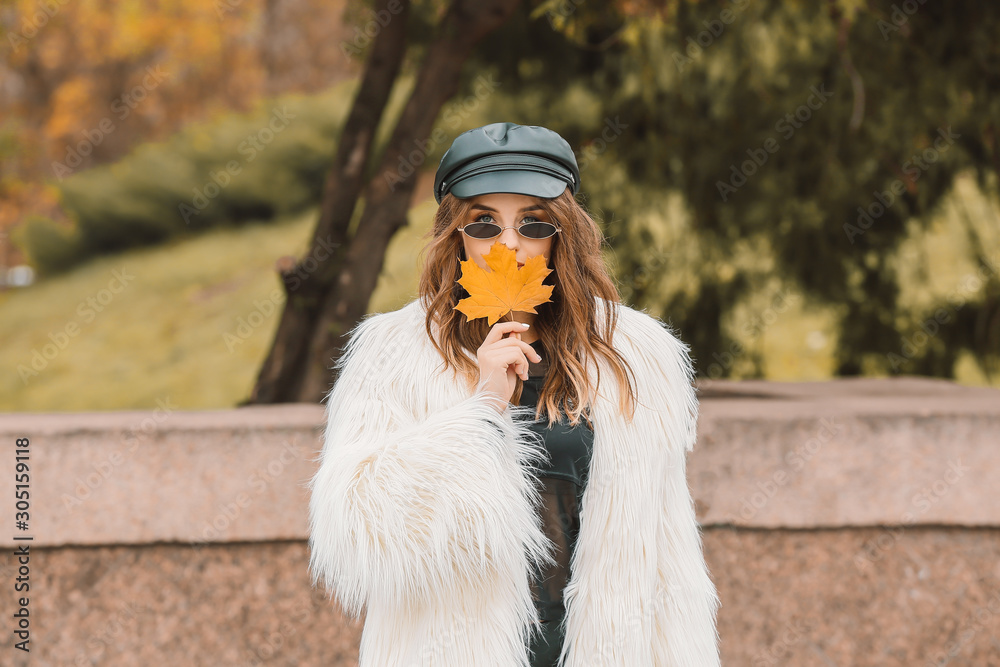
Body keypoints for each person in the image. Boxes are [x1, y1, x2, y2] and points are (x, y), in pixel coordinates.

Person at [308, 122, 721, 666]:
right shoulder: (395, 352)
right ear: (455, 235)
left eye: (532, 222)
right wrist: (480, 414)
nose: (508, 242)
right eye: (483, 223)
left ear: (562, 233)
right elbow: (356, 524)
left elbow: (665, 553)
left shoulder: (635, 353)